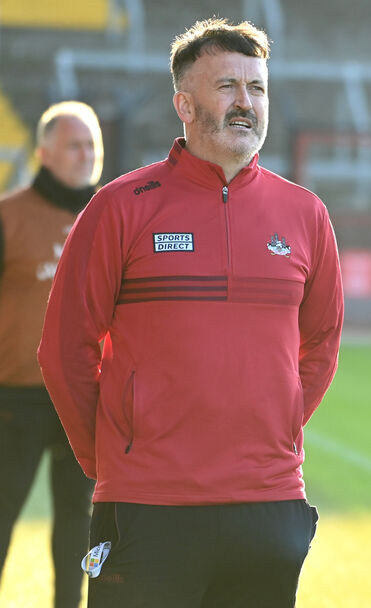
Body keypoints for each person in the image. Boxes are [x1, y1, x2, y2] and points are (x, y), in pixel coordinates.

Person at [37, 18, 343, 608]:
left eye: (257, 87)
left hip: (267, 504)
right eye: (227, 86)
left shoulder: (305, 213)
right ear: (184, 103)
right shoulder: (119, 208)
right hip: (148, 507)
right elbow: (64, 349)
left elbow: (322, 342)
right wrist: (110, 456)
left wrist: (274, 428)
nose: (246, 102)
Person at [0, 101, 102, 608]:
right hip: (13, 399)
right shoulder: (8, 216)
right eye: (73, 145)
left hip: (83, 400)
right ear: (43, 152)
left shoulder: (113, 217)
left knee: (77, 530)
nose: (85, 155)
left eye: (91, 145)